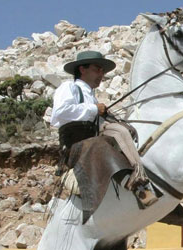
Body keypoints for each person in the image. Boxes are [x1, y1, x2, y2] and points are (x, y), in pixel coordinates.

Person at [51, 50, 157, 207]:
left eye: (102, 70)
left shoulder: (91, 96)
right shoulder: (69, 87)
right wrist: (94, 109)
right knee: (115, 136)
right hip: (76, 146)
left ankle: (140, 179)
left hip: (92, 140)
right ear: (82, 69)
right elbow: (59, 113)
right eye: (97, 69)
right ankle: (137, 183)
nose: (101, 74)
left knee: (123, 131)